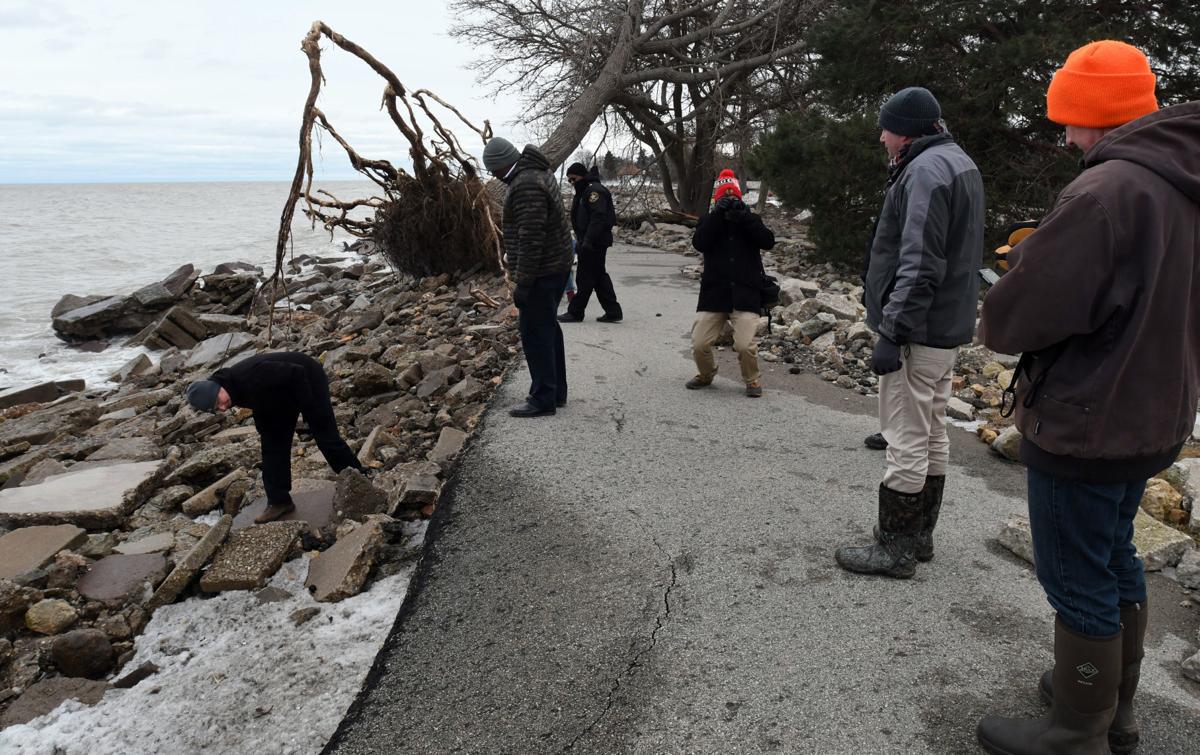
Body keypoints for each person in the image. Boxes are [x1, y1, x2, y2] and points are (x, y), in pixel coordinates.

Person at [976, 41, 1199, 755]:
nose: (1065, 136)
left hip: (1090, 417)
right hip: (1153, 409)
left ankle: (1078, 728)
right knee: (1112, 554)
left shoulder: (1106, 192)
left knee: (1075, 574)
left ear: (1097, 116)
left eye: (1069, 120)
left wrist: (1027, 266)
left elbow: (1019, 317)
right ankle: (1113, 702)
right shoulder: (1182, 182)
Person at [834, 86, 984, 579]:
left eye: (886, 128)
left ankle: (895, 549)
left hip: (918, 331)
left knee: (905, 435)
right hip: (946, 327)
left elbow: (920, 261)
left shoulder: (923, 170)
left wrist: (892, 332)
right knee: (932, 430)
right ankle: (918, 536)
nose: (881, 137)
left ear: (907, 131)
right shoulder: (958, 161)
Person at [185, 351, 366, 524]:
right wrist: (265, 429)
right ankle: (279, 502)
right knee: (272, 447)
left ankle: (360, 479)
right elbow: (259, 400)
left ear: (216, 388)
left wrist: (309, 409)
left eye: (218, 402)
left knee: (325, 436)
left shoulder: (249, 375)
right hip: (280, 393)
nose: (222, 408)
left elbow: (296, 373)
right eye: (216, 408)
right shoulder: (229, 391)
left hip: (307, 378)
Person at [482, 136, 574, 417]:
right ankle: (556, 391)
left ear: (500, 166)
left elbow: (531, 237)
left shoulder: (525, 185)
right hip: (555, 267)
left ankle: (543, 398)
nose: (493, 176)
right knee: (549, 329)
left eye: (493, 170)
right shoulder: (539, 172)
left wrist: (523, 283)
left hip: (542, 271)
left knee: (536, 334)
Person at [687, 169, 774, 398]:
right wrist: (717, 216)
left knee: (745, 345)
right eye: (725, 198)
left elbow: (768, 241)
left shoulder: (751, 220)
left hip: (746, 294)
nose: (730, 202)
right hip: (715, 295)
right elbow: (700, 243)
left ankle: (752, 380)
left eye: (733, 197)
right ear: (717, 201)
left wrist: (744, 217)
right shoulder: (709, 221)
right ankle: (706, 374)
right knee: (699, 344)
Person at [559, 163, 622, 323]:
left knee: (585, 277)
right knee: (598, 276)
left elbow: (598, 218)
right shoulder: (584, 191)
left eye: (573, 178)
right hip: (590, 241)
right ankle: (613, 311)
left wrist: (588, 240)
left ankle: (576, 311)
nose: (572, 183)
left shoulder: (594, 191)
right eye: (569, 181)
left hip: (594, 242)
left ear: (581, 175)